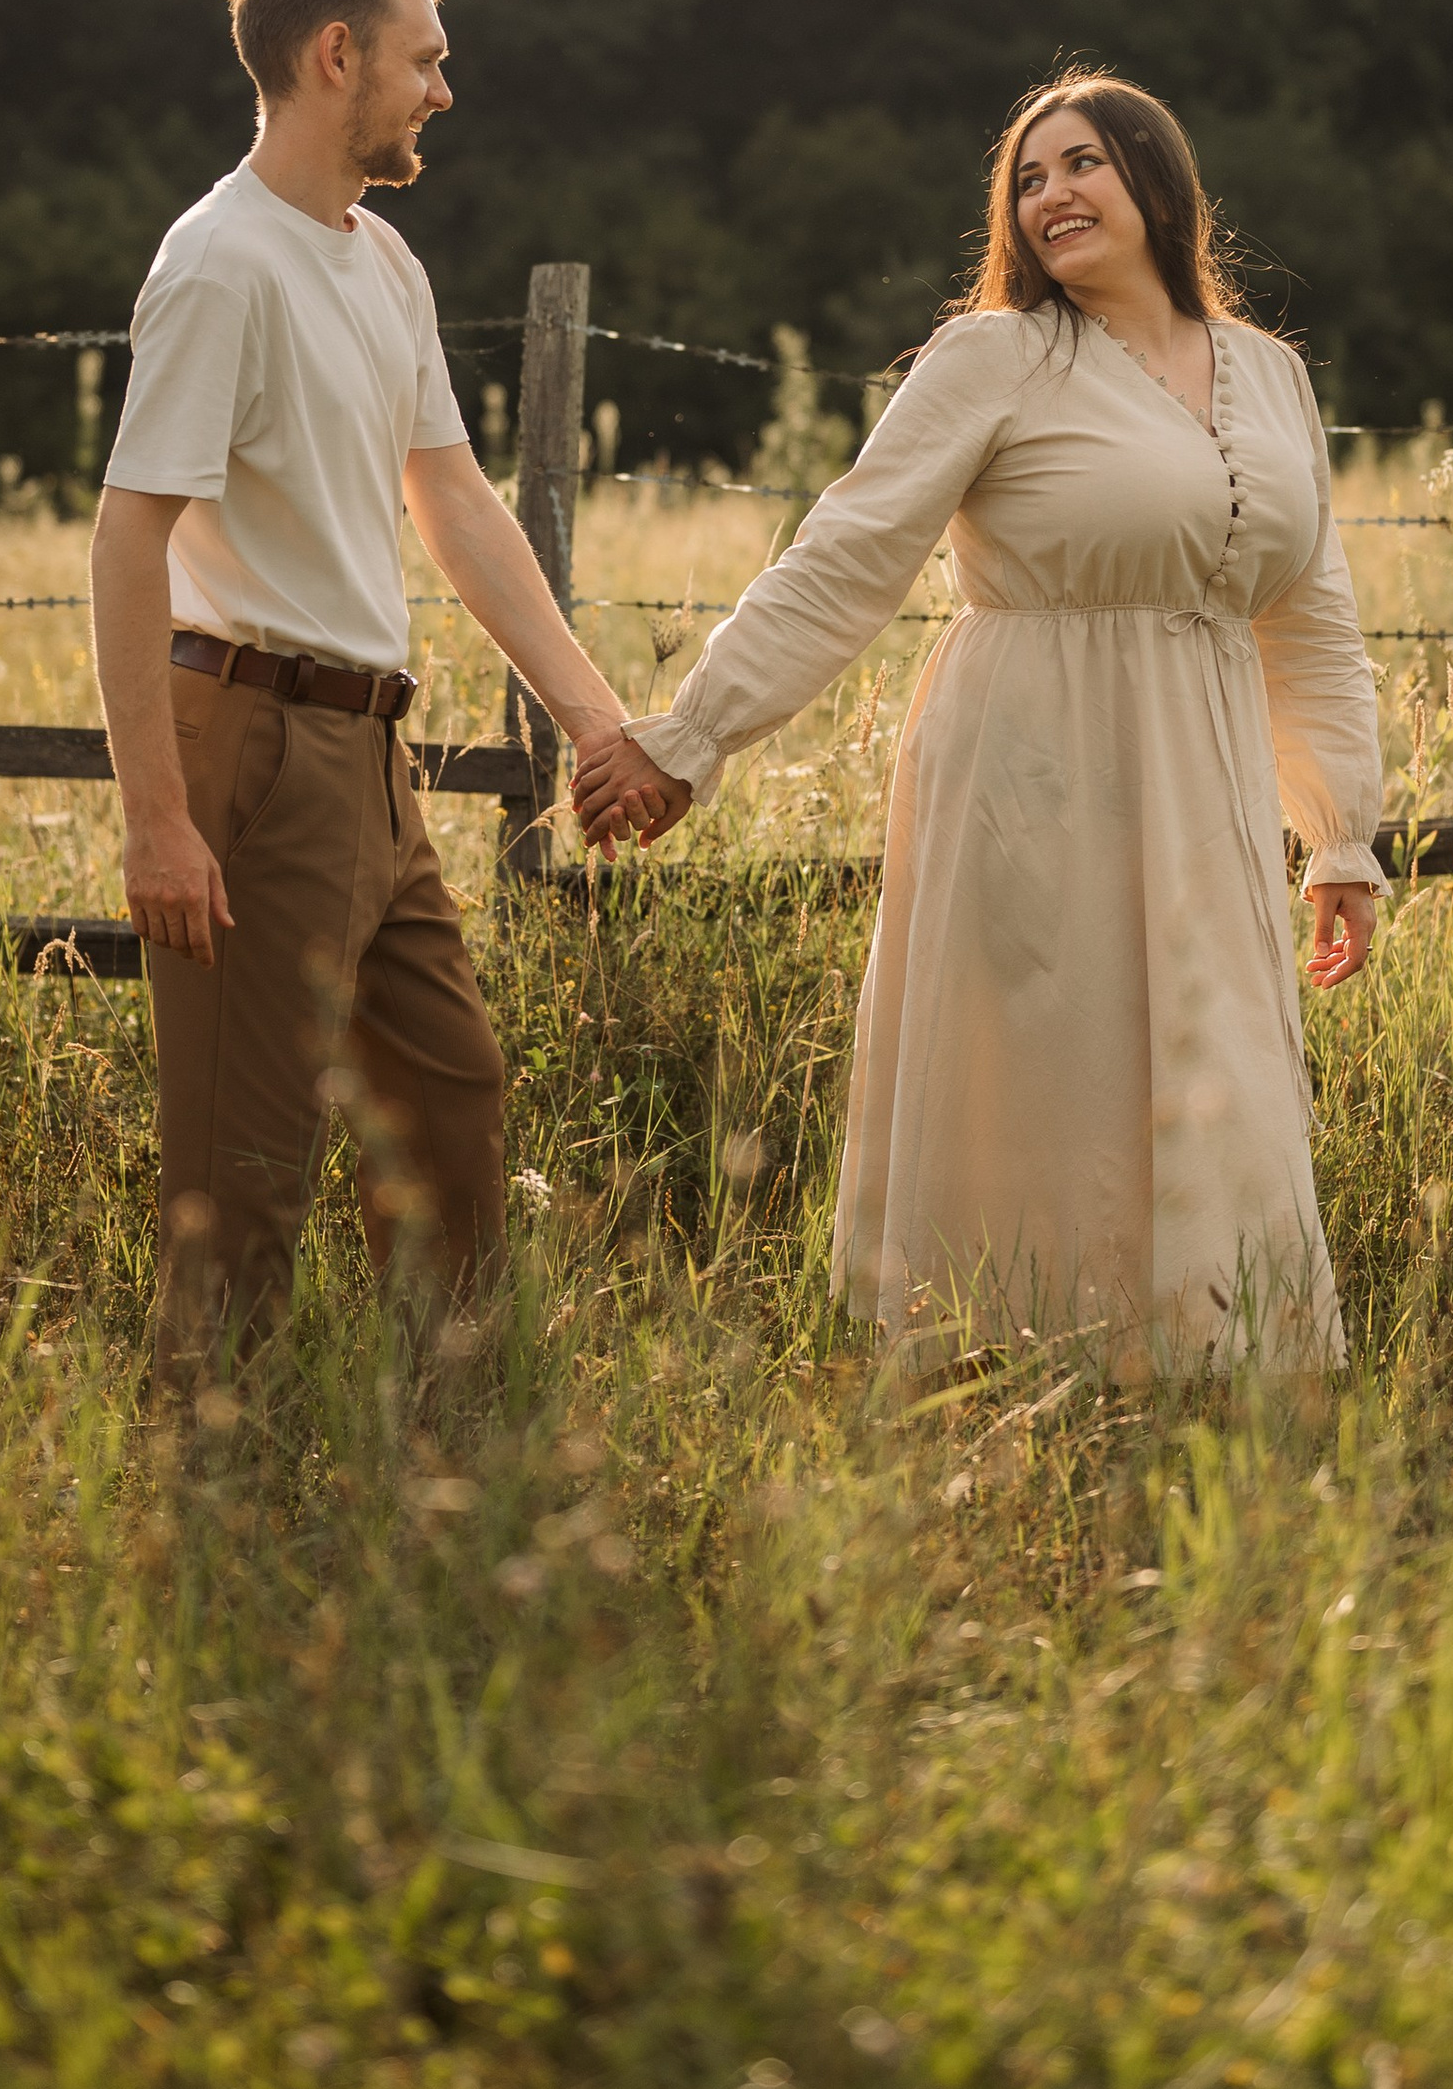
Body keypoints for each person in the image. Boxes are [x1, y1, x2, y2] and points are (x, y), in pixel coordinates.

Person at [573, 74, 1384, 1371]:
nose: (1052, 194)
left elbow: (1312, 624)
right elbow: (846, 558)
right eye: (1028, 178)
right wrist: (695, 732)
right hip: (1035, 766)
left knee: (1220, 1070)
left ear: (1159, 184)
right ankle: (1012, 1388)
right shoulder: (994, 357)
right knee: (1047, 1089)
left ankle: (1217, 1377)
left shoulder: (1275, 379)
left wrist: (1341, 835)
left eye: (1083, 165)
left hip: (1207, 782)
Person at [90, 0, 631, 1375]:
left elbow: (453, 502)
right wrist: (156, 821)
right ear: (338, 56)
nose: (442, 91)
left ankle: (447, 1437)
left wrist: (595, 723)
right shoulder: (220, 265)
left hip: (370, 762)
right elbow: (128, 540)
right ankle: (218, 1492)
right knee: (243, 1170)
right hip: (253, 749)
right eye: (424, 60)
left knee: (454, 1106)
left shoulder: (381, 261)